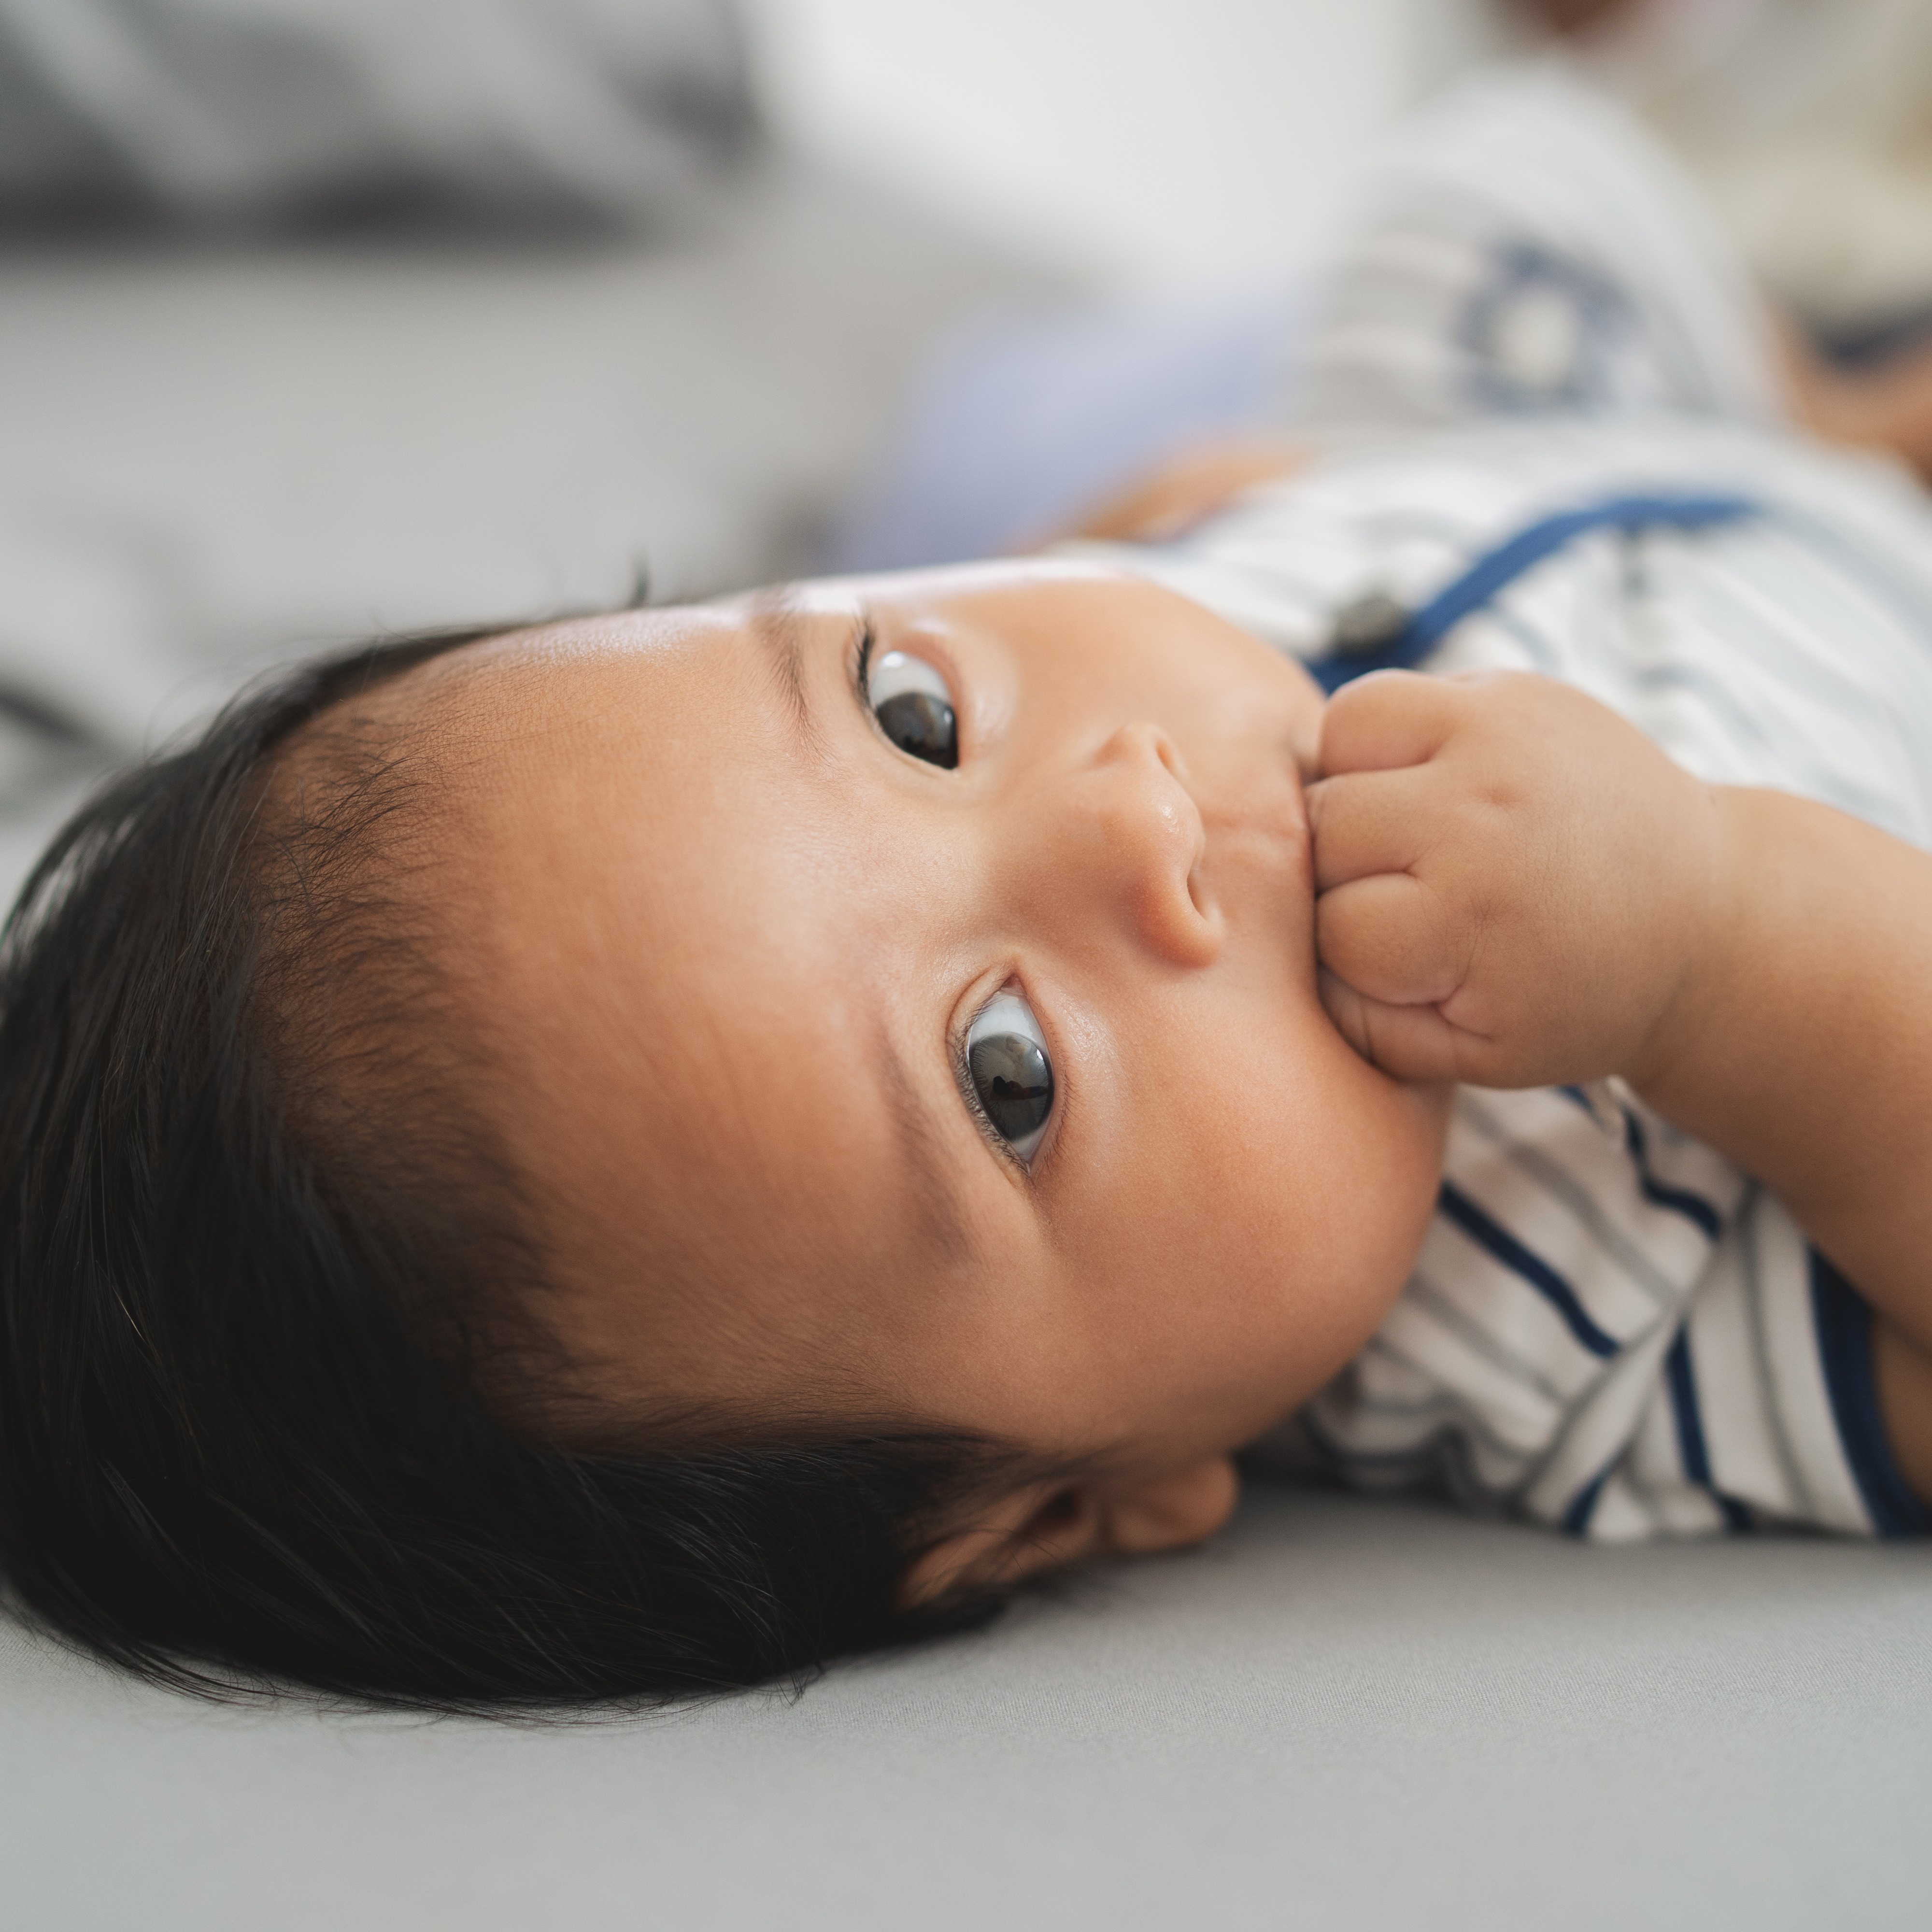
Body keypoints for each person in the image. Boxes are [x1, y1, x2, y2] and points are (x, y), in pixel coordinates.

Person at [4, 65, 1932, 1713]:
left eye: (908, 709)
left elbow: (1074, 585)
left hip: (1608, 478)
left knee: (1477, 199)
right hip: (1865, 661)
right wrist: (1714, 942)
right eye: (1011, 1076)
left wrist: (1174, 530)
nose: (1123, 815)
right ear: (1065, 1508)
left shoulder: (1149, 668)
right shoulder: (1573, 1313)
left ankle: (1817, 423)